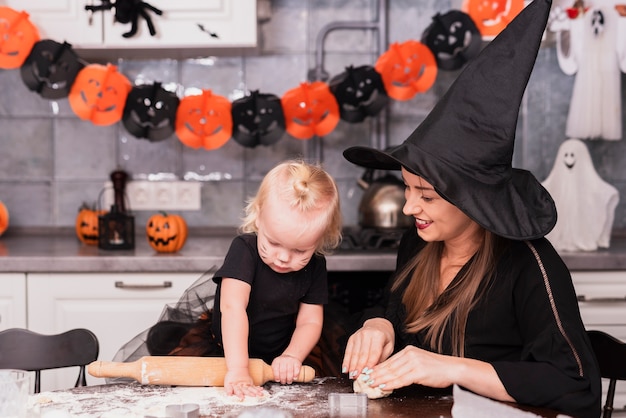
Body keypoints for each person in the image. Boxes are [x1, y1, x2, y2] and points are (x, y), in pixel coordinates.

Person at [341, 0, 602, 417]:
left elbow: (575, 385)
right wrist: (380, 324)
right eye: (407, 188)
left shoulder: (528, 265)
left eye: (426, 195)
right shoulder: (421, 241)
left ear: (472, 197)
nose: (410, 207)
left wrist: (450, 369)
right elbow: (397, 307)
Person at [146, 159, 342, 399]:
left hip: (281, 353)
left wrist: (292, 356)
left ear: (322, 238)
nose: (282, 257)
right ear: (258, 217)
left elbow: (309, 322)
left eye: (300, 251)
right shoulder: (244, 250)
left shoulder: (316, 265)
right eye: (274, 242)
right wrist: (238, 369)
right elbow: (232, 308)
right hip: (227, 351)